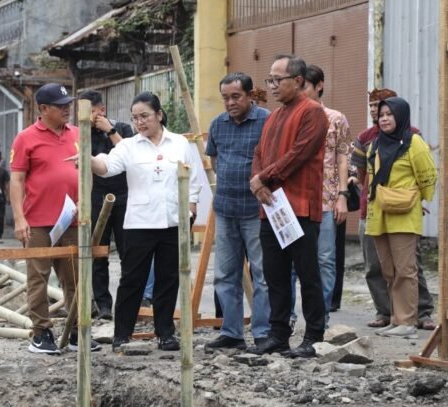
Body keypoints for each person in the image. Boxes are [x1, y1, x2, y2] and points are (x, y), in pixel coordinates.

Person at [89, 91, 202, 352]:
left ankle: (165, 333)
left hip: (173, 221)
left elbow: (192, 176)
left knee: (168, 278)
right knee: (132, 280)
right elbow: (108, 166)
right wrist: (88, 160)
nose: (139, 122)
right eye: (135, 118)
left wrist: (191, 207)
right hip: (139, 222)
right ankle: (122, 334)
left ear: (159, 115)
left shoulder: (179, 143)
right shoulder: (129, 145)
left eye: (145, 116)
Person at [10, 83, 100, 355]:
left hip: (72, 219)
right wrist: (19, 218)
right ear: (44, 109)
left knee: (75, 278)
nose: (67, 109)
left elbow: (88, 171)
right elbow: (16, 179)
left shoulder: (77, 133)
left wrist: (85, 201)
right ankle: (41, 333)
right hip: (38, 221)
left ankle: (76, 332)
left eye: (68, 104)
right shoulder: (26, 138)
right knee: (38, 278)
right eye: (60, 105)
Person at [249, 54, 328, 359]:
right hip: (272, 208)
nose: (271, 86)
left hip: (299, 206)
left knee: (307, 274)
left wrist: (263, 179)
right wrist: (257, 179)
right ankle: (278, 334)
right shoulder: (274, 116)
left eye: (276, 80)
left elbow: (299, 154)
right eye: (269, 80)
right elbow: (259, 152)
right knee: (275, 274)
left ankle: (314, 335)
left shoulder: (313, 113)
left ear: (297, 81)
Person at [351, 89, 436, 330]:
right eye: (381, 114)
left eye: (389, 113)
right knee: (387, 269)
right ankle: (395, 318)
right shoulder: (375, 143)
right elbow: (365, 175)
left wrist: (416, 199)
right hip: (378, 213)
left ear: (401, 115)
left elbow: (428, 176)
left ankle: (408, 320)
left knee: (405, 269)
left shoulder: (413, 141)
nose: (383, 117)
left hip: (403, 214)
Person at [204, 72, 271, 351]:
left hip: (256, 210)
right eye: (225, 98)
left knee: (262, 274)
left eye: (235, 96)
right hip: (226, 209)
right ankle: (231, 332)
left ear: (249, 95)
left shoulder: (267, 121)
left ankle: (264, 332)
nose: (230, 103)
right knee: (225, 274)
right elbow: (215, 160)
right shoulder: (218, 124)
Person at [78, 90, 135, 321]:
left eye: (92, 112)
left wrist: (109, 130)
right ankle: (103, 306)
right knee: (97, 253)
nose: (89, 118)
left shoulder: (122, 129)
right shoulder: (81, 133)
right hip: (95, 196)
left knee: (127, 253)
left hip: (123, 196)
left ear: (101, 110)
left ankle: (128, 303)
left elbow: (131, 155)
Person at [301, 65, 351, 326]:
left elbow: (343, 157)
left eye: (306, 87)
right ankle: (289, 316)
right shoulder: (291, 116)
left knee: (325, 258)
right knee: (294, 261)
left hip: (328, 198)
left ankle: (321, 318)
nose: (302, 92)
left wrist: (342, 194)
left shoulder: (336, 118)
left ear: (319, 85)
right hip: (297, 199)